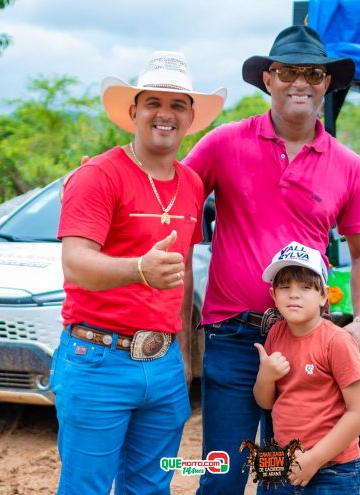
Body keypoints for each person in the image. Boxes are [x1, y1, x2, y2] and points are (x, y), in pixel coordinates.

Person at [185, 25, 360, 494]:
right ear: (268, 79)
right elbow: (173, 206)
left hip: (306, 342)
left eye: (313, 73)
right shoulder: (223, 143)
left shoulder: (347, 163)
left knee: (287, 476)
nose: (301, 83)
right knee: (223, 475)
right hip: (234, 338)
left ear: (327, 84)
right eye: (288, 71)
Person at [52, 51, 226, 495]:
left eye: (177, 105)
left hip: (164, 364)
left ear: (190, 119)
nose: (164, 115)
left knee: (150, 488)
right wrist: (138, 269)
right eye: (153, 103)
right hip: (97, 360)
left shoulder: (191, 185)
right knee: (85, 488)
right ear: (133, 112)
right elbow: (75, 263)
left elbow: (182, 274)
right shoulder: (98, 176)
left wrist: (183, 360)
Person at [254, 241, 360, 493]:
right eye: (284, 287)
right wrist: (266, 377)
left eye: (306, 287)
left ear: (323, 296)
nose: (293, 294)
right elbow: (266, 403)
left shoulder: (337, 341)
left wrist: (313, 459)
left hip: (333, 469)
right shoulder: (276, 334)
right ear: (273, 295)